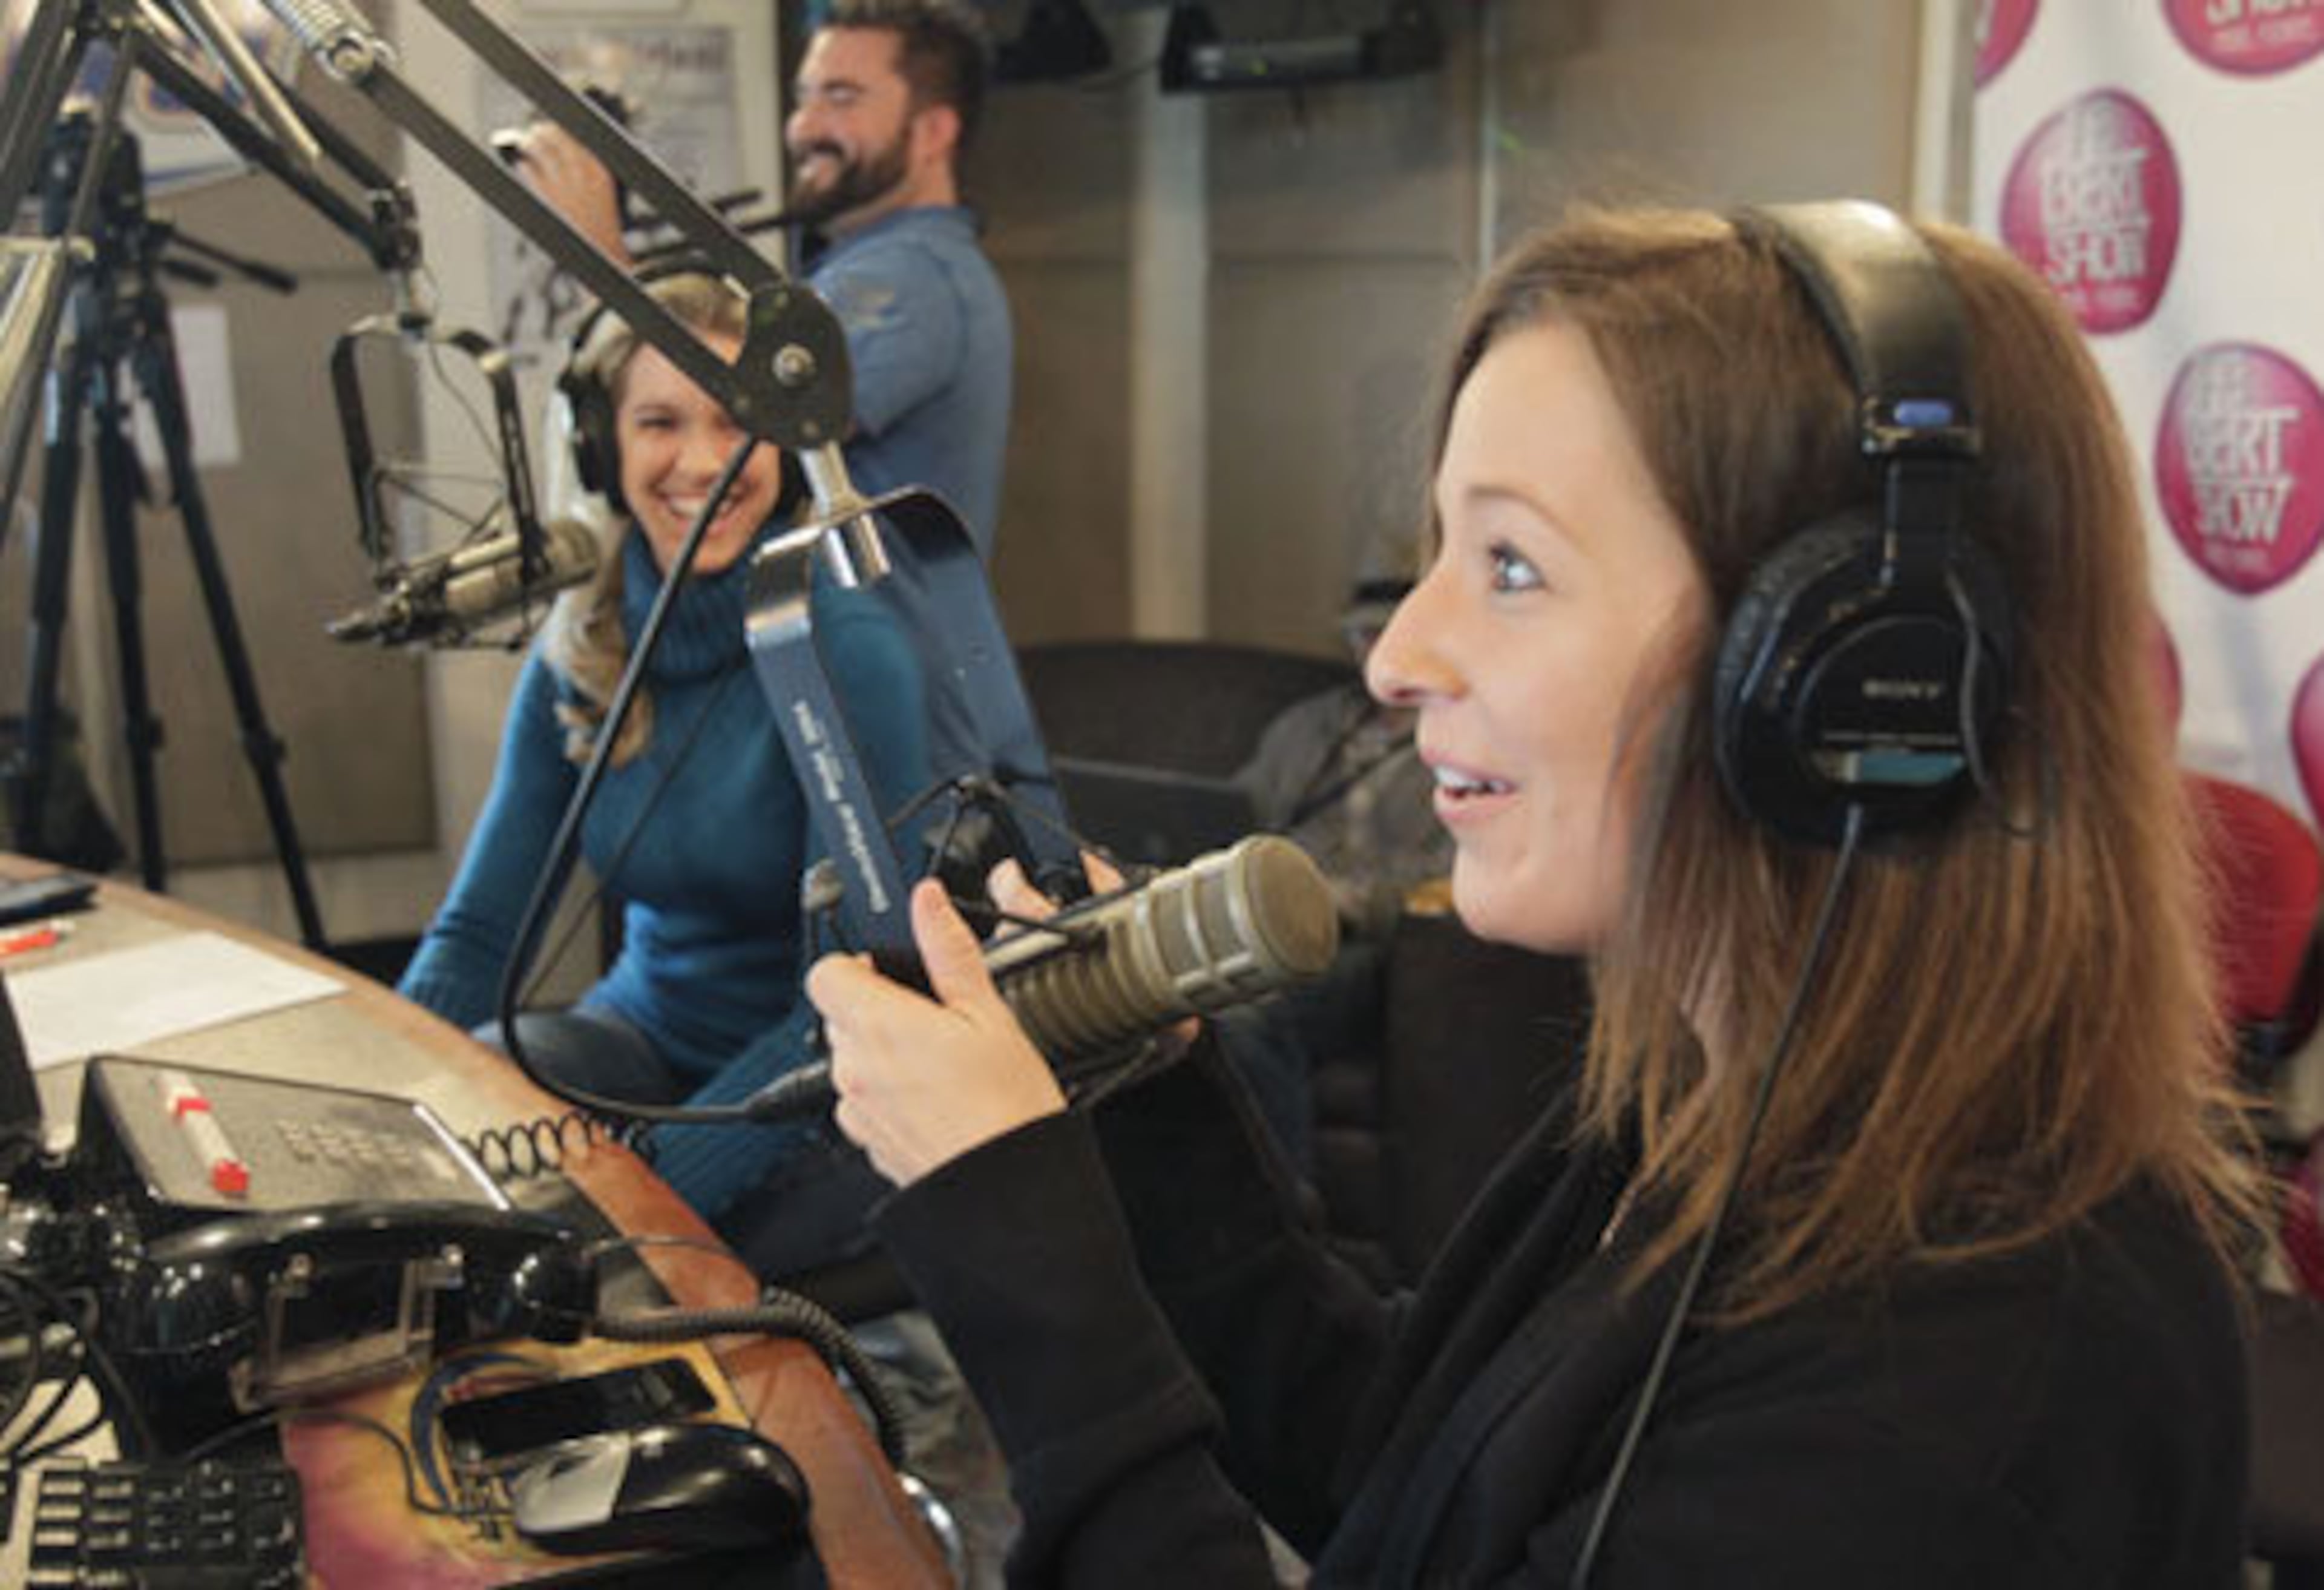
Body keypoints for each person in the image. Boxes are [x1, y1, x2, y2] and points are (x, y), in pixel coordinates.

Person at [803, 204, 2259, 1585]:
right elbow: (1407, 1483)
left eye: (1509, 565)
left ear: (1842, 681)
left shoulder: (1970, 1372)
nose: (1397, 657)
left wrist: (1027, 1277)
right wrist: (1138, 1096)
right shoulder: (1712, 1108)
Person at [398, 269, 926, 1230]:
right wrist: (381, 1108)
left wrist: (650, 1195)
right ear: (604, 447)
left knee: (581, 1249)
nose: (700, 463)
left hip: (820, 1087)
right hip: (640, 1044)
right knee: (479, 1106)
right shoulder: (588, 640)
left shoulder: (847, 645)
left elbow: (853, 1001)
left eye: (735, 424)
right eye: (659, 423)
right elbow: (478, 932)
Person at [517, 0, 1011, 556]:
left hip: (866, 635)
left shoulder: (914, 277)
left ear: (933, 133)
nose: (803, 126)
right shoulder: (876, 263)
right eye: (805, 97)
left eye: (842, 98)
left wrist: (600, 257)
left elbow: (732, 421)